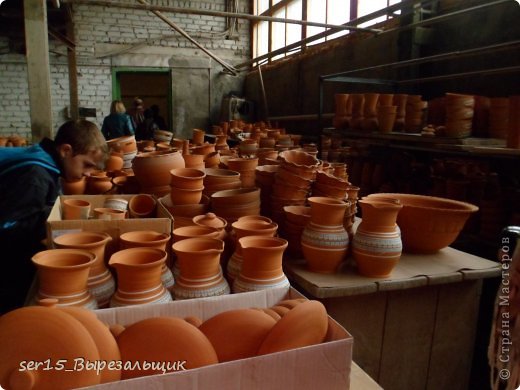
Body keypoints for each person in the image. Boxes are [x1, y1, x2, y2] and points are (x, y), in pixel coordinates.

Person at [0, 120, 108, 314]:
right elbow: (9, 226)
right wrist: (54, 220)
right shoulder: (36, 176)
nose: (89, 174)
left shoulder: (47, 161)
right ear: (66, 150)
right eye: (87, 165)